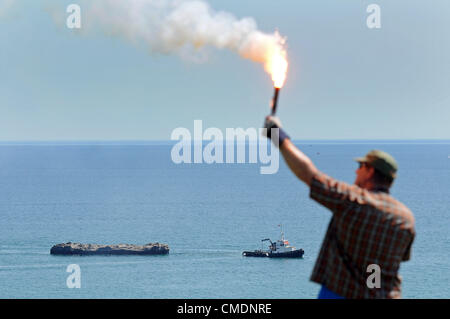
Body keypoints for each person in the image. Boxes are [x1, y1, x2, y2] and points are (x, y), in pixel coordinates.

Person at [263, 116, 415, 299]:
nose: (356, 170)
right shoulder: (406, 218)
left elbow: (309, 175)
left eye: (361, 165)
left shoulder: (352, 201)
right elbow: (395, 260)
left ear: (371, 171)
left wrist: (277, 135)